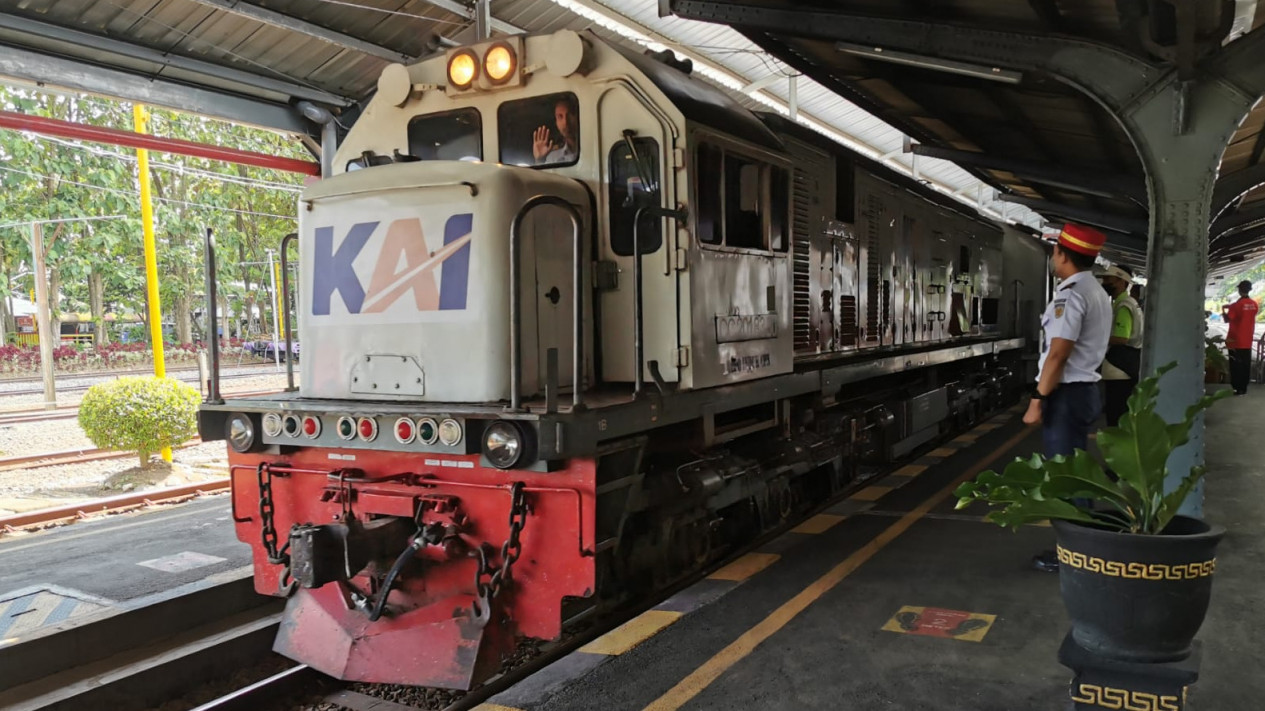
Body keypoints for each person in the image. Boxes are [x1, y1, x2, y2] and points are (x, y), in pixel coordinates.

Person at [1026, 223, 1113, 572]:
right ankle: (1085, 545)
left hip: (1068, 394)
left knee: (1064, 476)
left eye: (1055, 251)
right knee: (1076, 472)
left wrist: (1036, 398)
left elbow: (1058, 353)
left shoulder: (1071, 295)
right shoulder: (1096, 291)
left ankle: (1075, 556)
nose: (1053, 257)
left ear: (1062, 255)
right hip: (1085, 390)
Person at [1099, 264, 1143, 426]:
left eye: (1109, 280)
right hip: (1127, 363)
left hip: (1120, 364)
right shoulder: (1126, 302)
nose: (1105, 283)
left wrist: (1096, 338)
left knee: (1116, 413)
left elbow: (1121, 338)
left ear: (1122, 282)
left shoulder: (1123, 305)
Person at [1222, 280, 1258, 395]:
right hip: (1247, 339)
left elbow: (1228, 319)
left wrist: (1224, 312)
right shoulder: (1254, 304)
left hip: (1234, 340)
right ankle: (1244, 387)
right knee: (1245, 364)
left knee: (1236, 365)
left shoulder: (1235, 305)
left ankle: (1237, 388)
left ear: (1239, 290)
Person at [532, 95, 578, 165]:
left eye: (570, 115)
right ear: (556, 122)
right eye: (560, 116)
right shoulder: (553, 158)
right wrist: (539, 160)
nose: (565, 122)